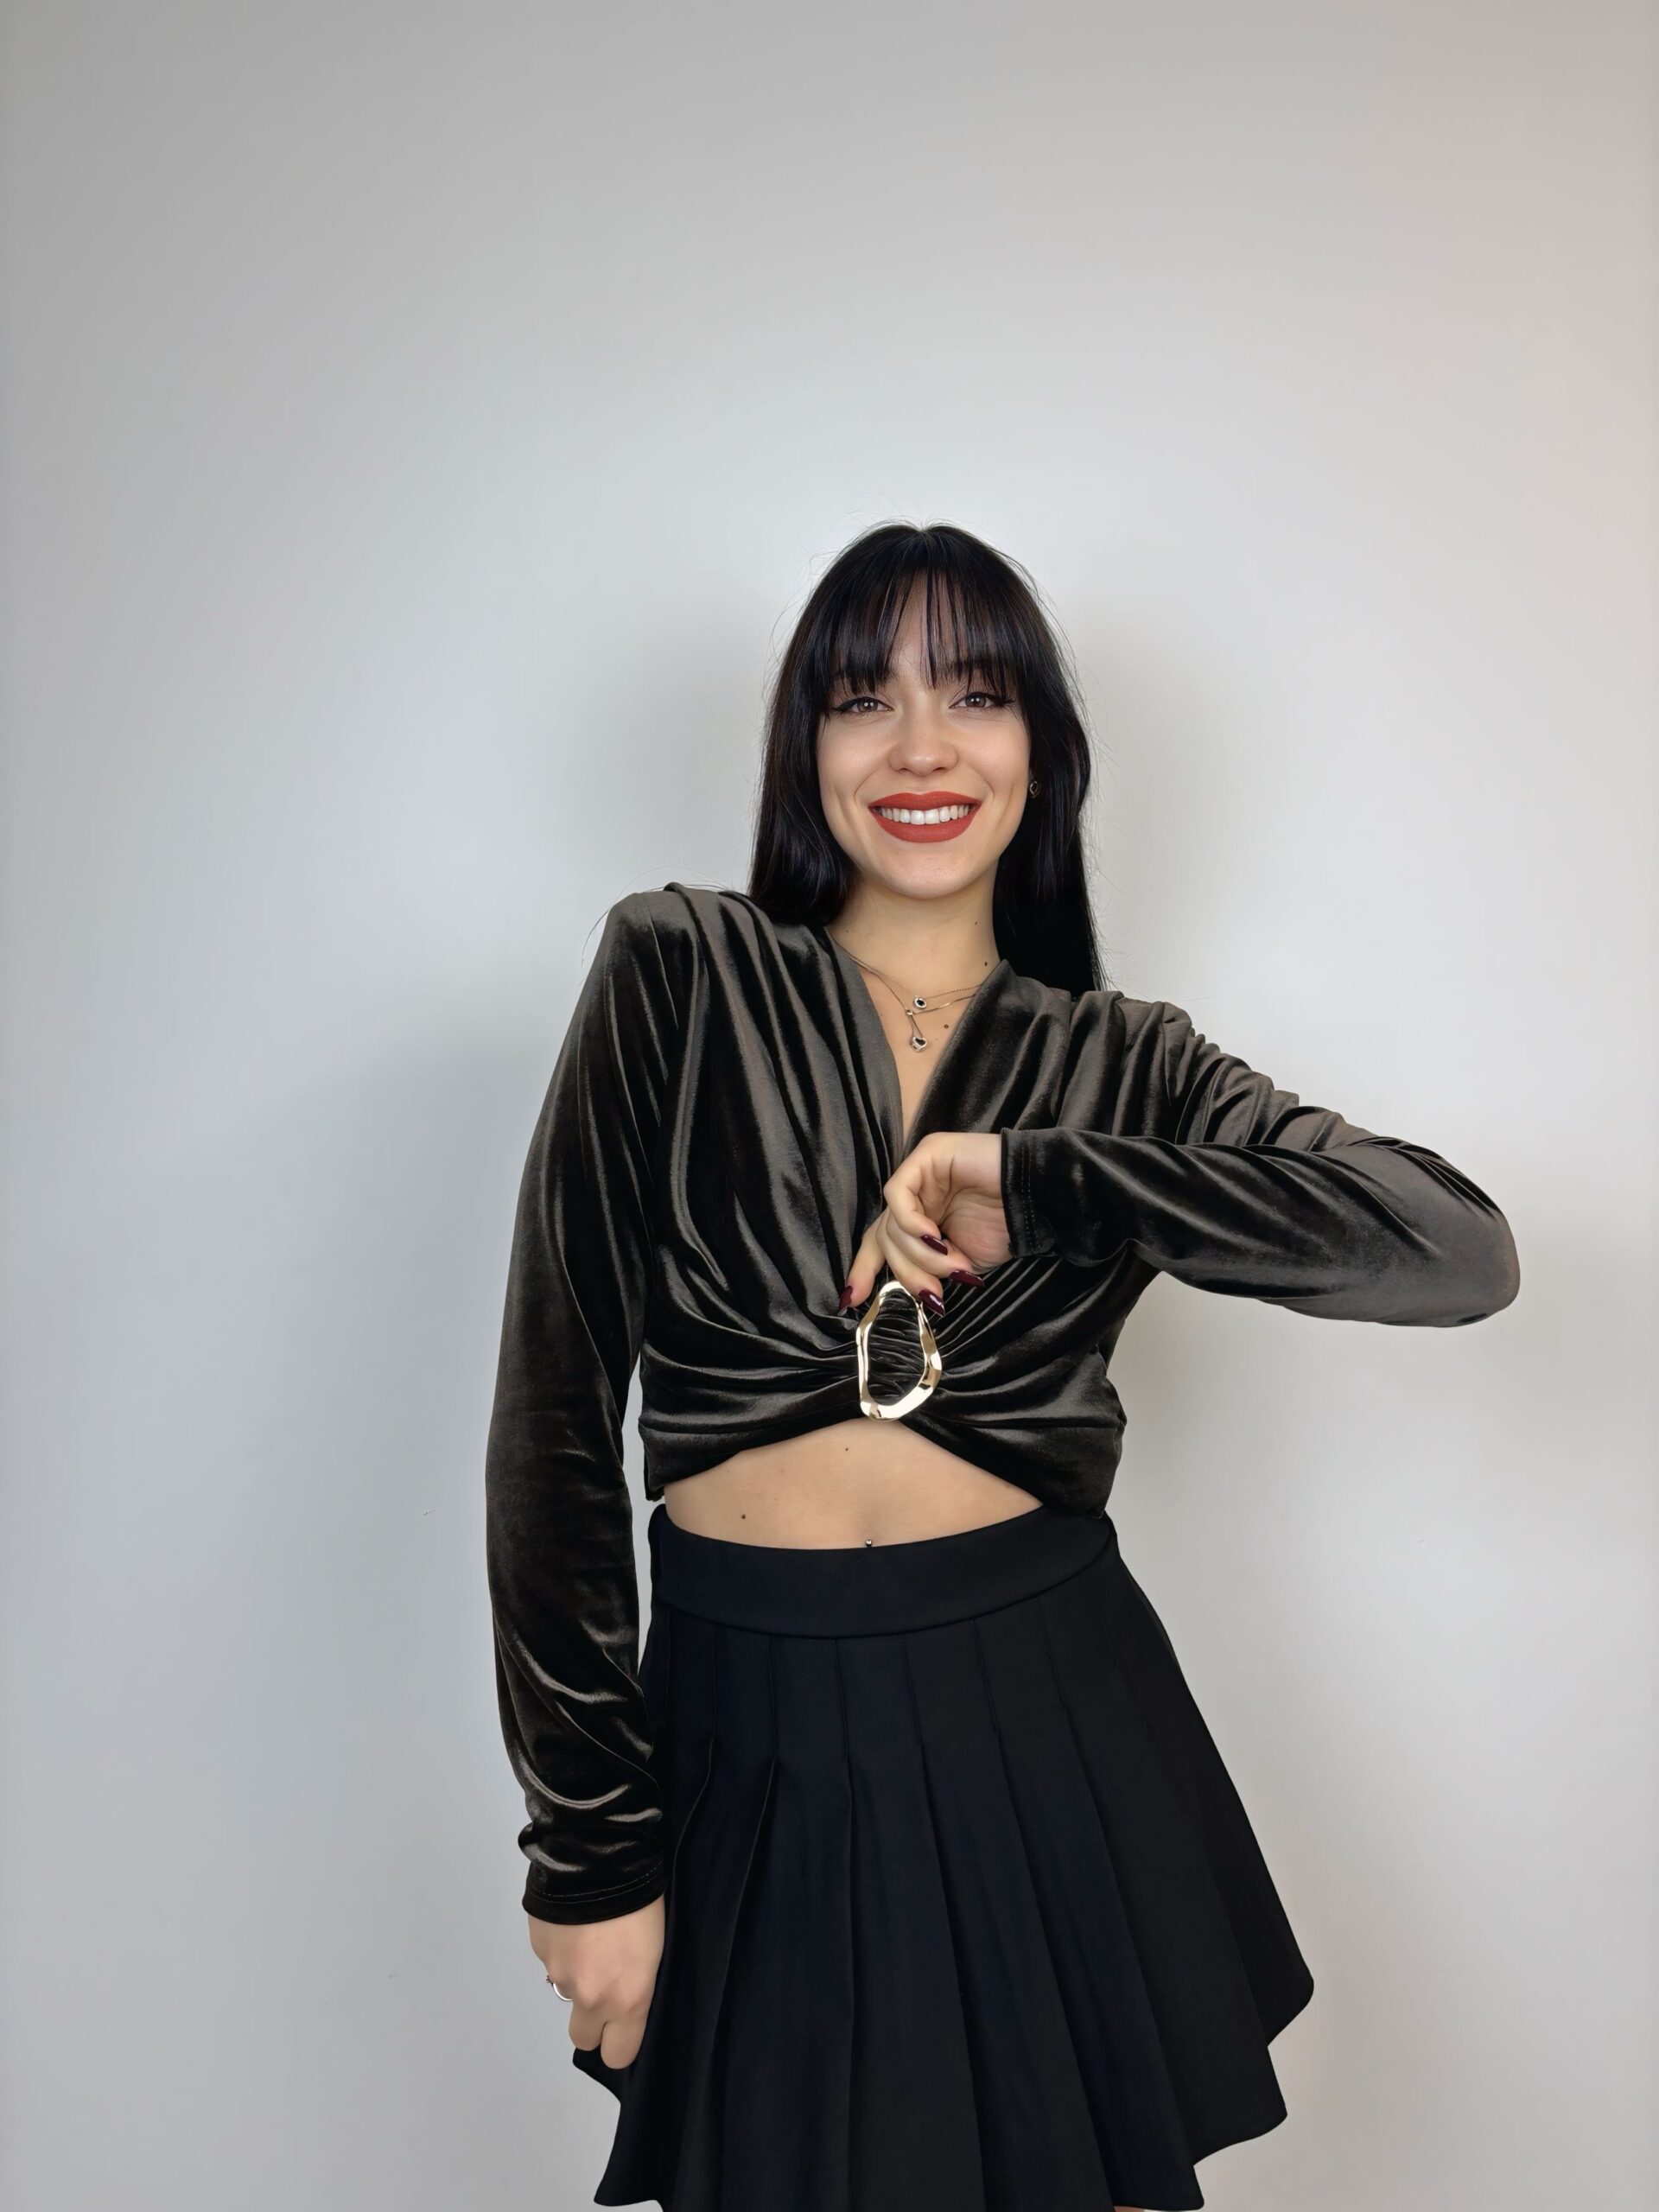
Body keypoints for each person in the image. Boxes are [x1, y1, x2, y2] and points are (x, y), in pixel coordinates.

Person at [483, 522, 1520, 2212]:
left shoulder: (1124, 1062)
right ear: (803, 747)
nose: (920, 747)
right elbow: (549, 1421)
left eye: (974, 695)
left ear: (1043, 747)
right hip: (744, 1725)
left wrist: (1046, 1178)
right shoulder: (682, 970)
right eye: (862, 698)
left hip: (1044, 1714)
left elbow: (1455, 1250)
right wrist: (589, 1842)